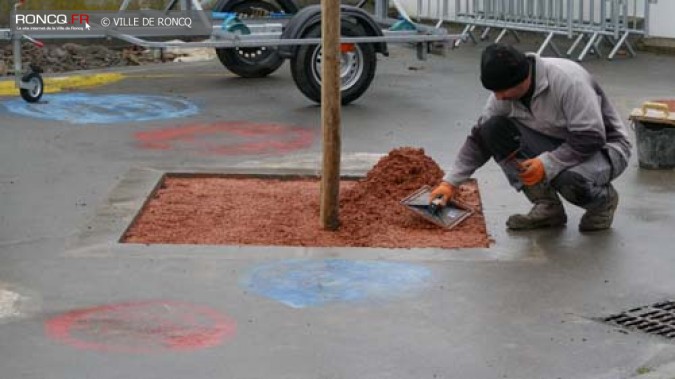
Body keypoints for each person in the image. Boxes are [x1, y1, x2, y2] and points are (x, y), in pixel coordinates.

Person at [430, 43, 631, 231]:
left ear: (523, 77)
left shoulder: (568, 81)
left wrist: (548, 162)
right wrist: (450, 183)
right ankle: (547, 207)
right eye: (495, 92)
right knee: (492, 129)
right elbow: (479, 140)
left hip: (604, 148)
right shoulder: (504, 93)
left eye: (503, 91)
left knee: (567, 177)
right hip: (556, 142)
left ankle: (602, 202)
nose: (499, 97)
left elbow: (591, 136)